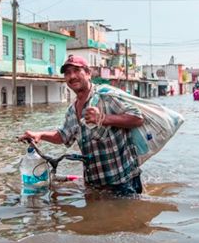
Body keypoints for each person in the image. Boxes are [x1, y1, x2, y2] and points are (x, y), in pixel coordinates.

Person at [19, 54, 144, 196]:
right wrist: (40, 134)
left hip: (123, 183)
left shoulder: (106, 96)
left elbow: (138, 118)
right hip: (94, 185)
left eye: (77, 70)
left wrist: (103, 118)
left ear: (88, 73)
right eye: (67, 73)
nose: (72, 76)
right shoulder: (72, 110)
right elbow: (63, 136)